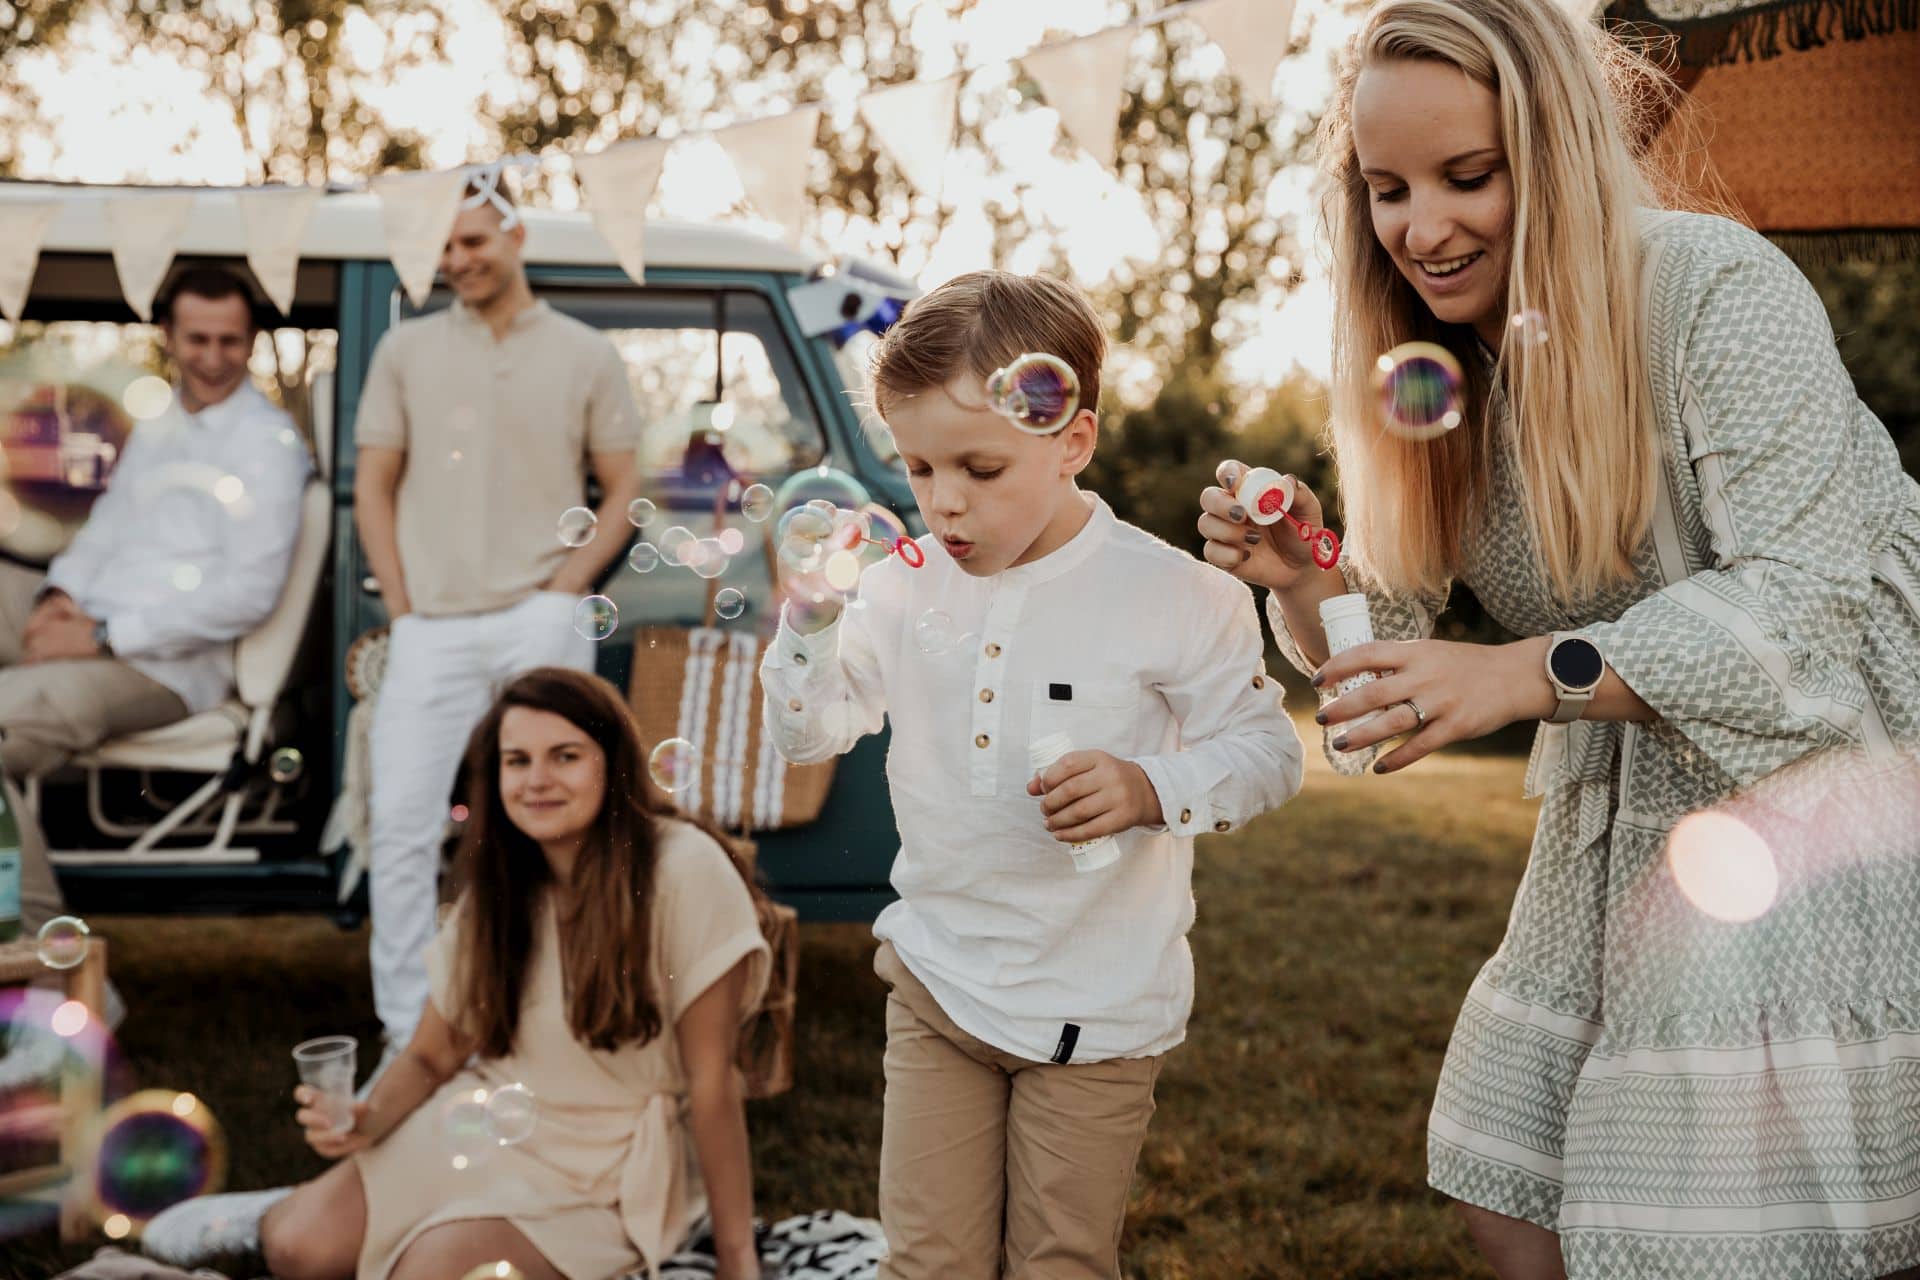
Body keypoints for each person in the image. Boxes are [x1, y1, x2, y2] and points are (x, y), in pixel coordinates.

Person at [1196, 2, 1920, 1276]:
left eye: (1468, 176)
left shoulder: (1715, 290)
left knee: (1723, 1232)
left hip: (1842, 765)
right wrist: (1302, 581)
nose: (1422, 228)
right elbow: (1387, 660)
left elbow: (1807, 608)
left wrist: (1526, 672)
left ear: (1560, 149)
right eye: (1388, 189)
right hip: (1637, 779)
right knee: (1514, 1185)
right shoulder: (1435, 365)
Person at [762, 271, 1305, 1278]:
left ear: (1073, 440)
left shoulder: (1176, 594)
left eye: (979, 465)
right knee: (929, 1262)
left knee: (1060, 1260)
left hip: (1096, 1008)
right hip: (937, 978)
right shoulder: (896, 585)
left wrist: (1150, 786)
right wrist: (806, 626)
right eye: (917, 466)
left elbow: (1272, 754)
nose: (944, 501)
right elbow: (808, 736)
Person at [146, 668, 772, 1279]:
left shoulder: (683, 869)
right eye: (517, 760)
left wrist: (737, 1257)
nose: (538, 780)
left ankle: (406, 1224)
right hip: (490, 1121)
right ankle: (289, 1208)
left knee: (429, 1273)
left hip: (608, 1165)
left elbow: (713, 1082)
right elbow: (430, 1056)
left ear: (613, 764)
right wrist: (370, 1120)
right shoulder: (503, 885)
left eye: (565, 756)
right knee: (295, 1248)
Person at [353, 174, 644, 1063]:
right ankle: (409, 1036)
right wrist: (403, 612)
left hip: (539, 616)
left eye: (472, 241)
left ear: (516, 235)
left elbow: (626, 489)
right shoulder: (404, 351)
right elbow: (374, 486)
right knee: (401, 824)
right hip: (431, 627)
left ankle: (563, 1015)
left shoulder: (586, 352)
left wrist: (565, 592)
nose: (457, 261)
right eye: (442, 248)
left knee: (562, 824)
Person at [0, 265, 310, 938]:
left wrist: (104, 633)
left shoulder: (267, 447)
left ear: (250, 340)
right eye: (197, 339)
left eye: (229, 342)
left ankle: (40, 951)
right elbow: (104, 529)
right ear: (168, 335)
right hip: (91, 622)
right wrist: (59, 596)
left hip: (164, 668)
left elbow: (247, 595)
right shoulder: (160, 422)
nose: (212, 358)